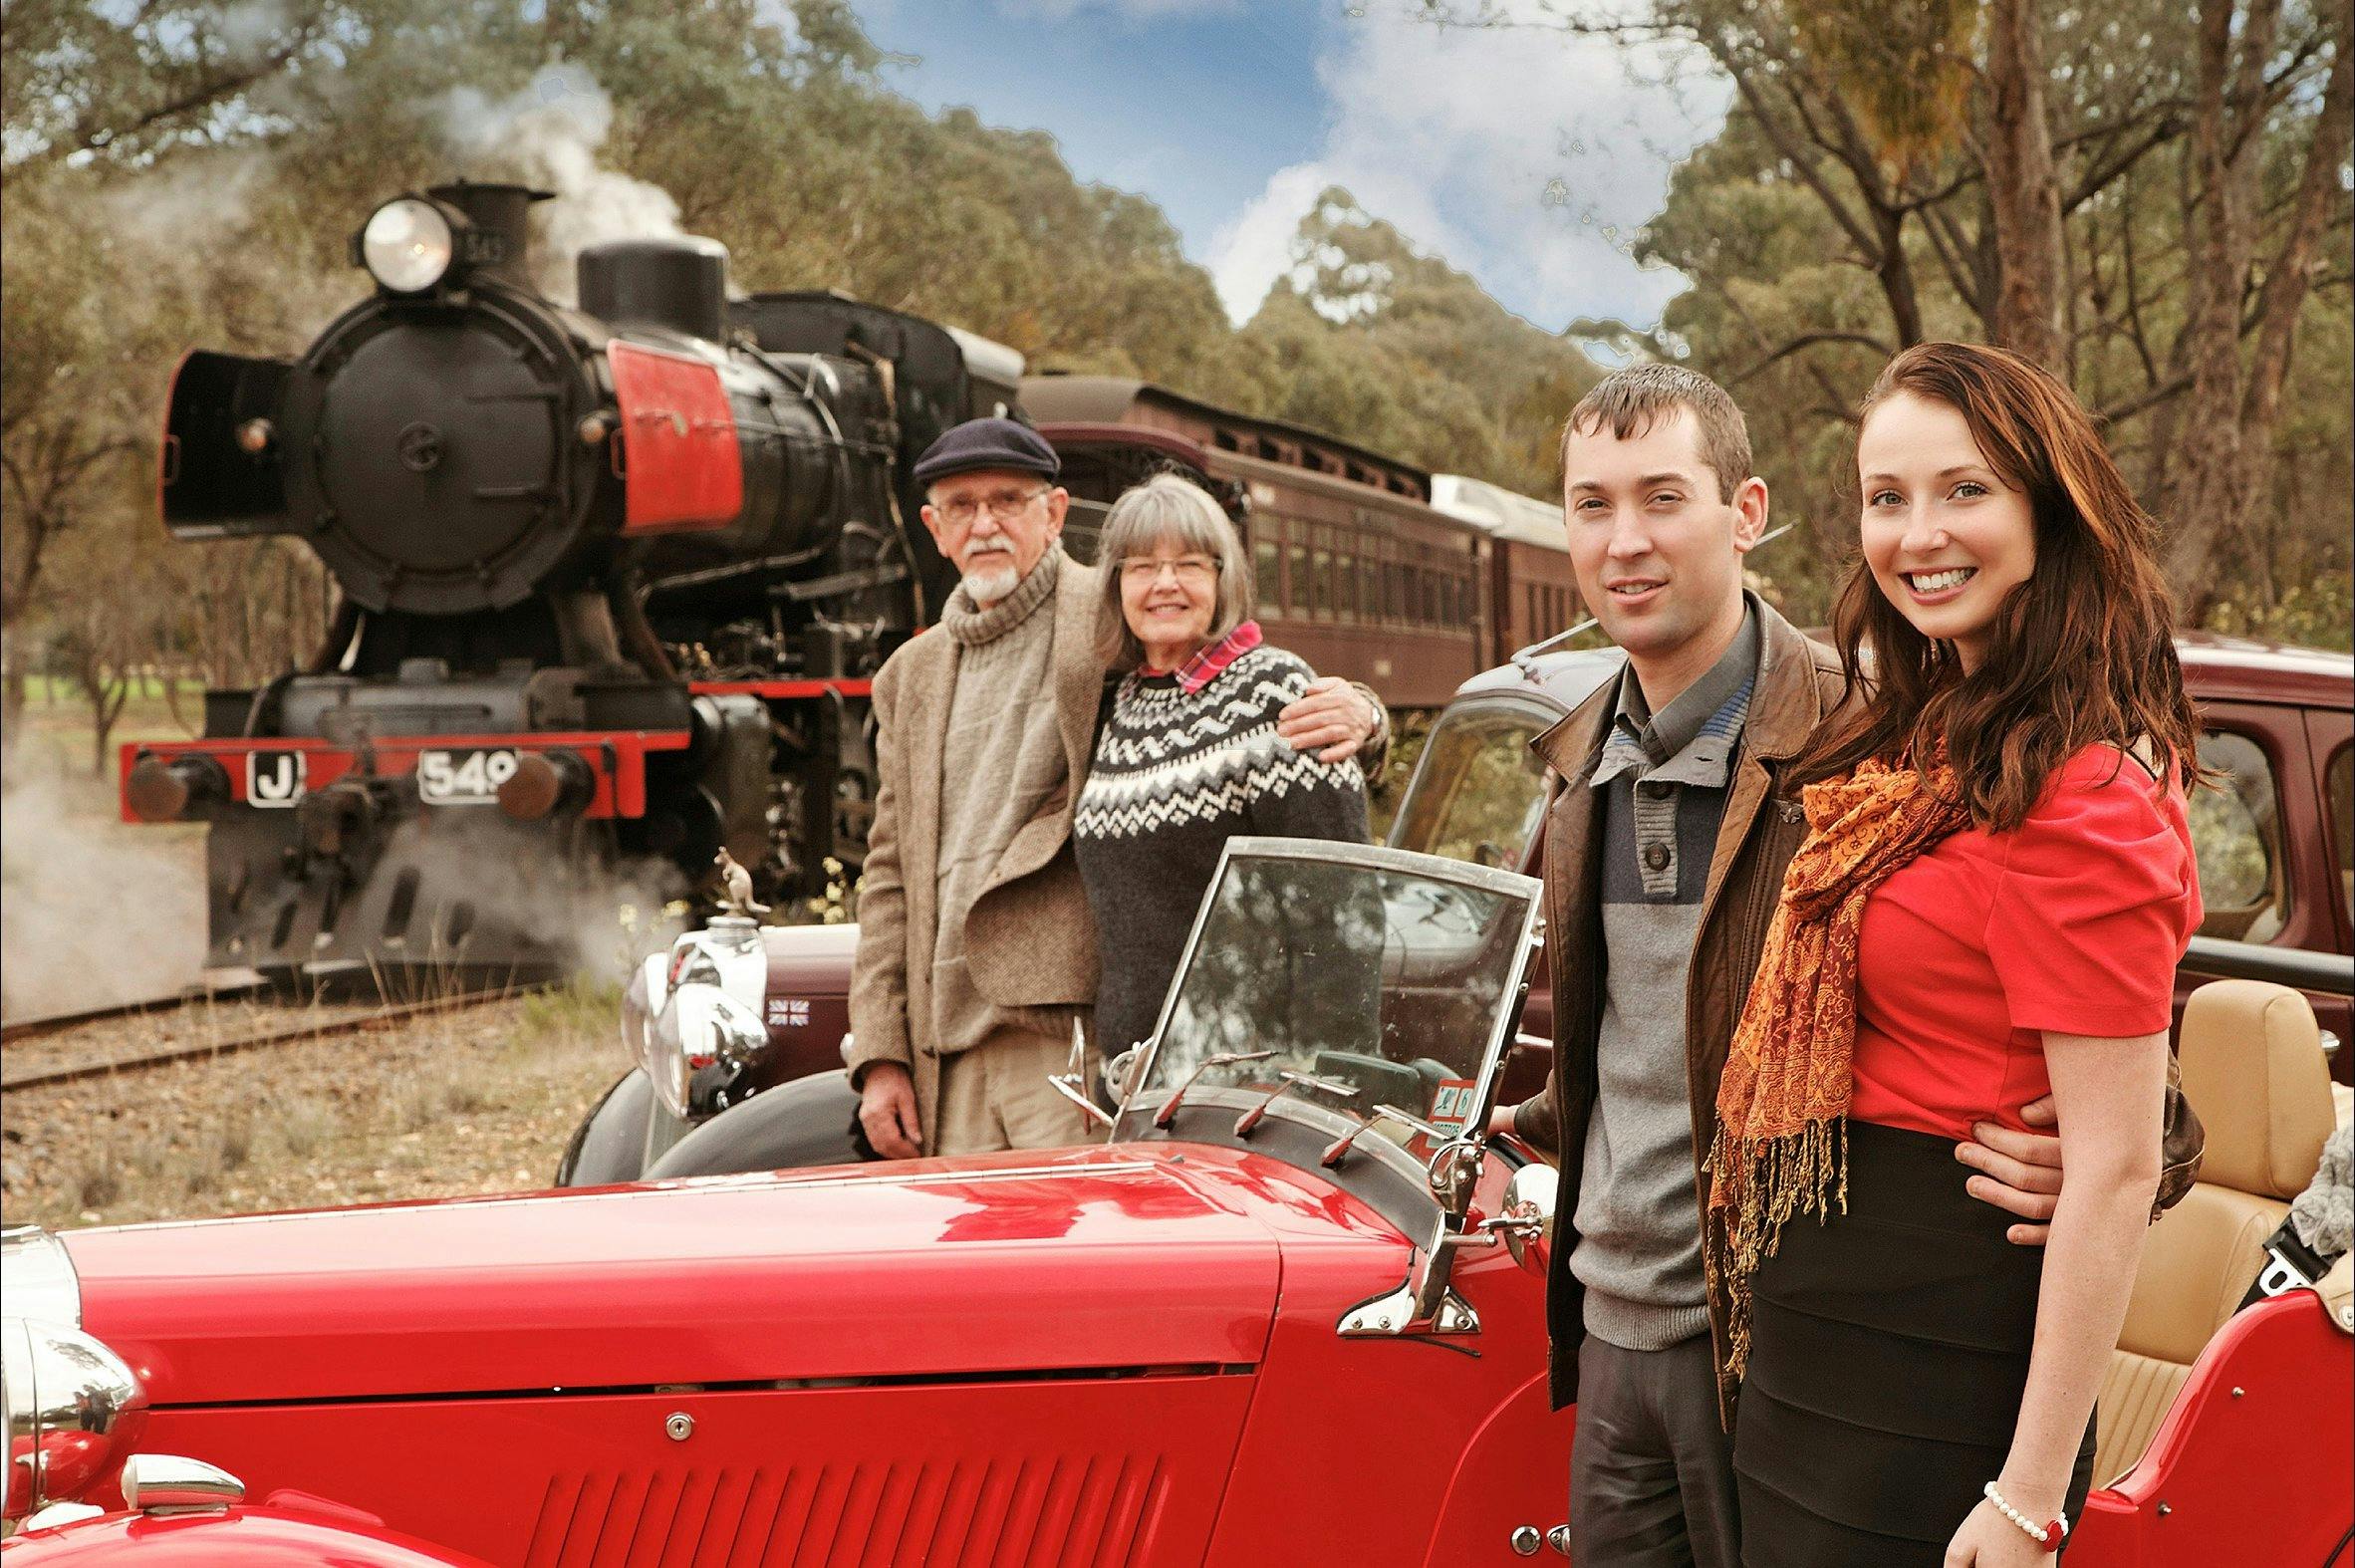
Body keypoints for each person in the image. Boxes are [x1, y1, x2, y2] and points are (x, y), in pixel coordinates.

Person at [1486, 363, 2204, 1568]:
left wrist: (2149, 1144)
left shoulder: (1847, 733)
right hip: (1734, 1332)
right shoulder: (1889, 742)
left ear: (1747, 511)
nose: (1626, 542)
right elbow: (1653, 1030)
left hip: (1840, 1331)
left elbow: (2106, 1097)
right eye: (1887, 496)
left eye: (1663, 496)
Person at [1714, 342, 2203, 1567]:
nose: (1918, 532)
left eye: (1964, 489)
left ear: (2050, 506)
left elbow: (2111, 1166)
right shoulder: (1919, 744)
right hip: (1816, 1346)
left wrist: (2029, 1498)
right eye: (1888, 497)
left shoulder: (2084, 792)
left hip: (1940, 1373)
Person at [846, 418, 1385, 1160]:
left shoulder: (1106, 610)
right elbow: (887, 873)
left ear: (1056, 514)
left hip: (1064, 1039)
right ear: (934, 529)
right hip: (946, 1045)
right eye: (963, 507)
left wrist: (1365, 712)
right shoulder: (908, 675)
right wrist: (880, 1053)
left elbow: (1246, 680)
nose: (987, 523)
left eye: (1008, 500)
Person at [1072, 473, 1368, 1062]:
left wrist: (1331, 1075)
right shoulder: (1119, 703)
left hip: (1248, 1073)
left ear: (1221, 577)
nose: (1164, 584)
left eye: (1188, 564)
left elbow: (1337, 912)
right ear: (1116, 587)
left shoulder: (1274, 692)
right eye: (1141, 567)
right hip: (1135, 1070)